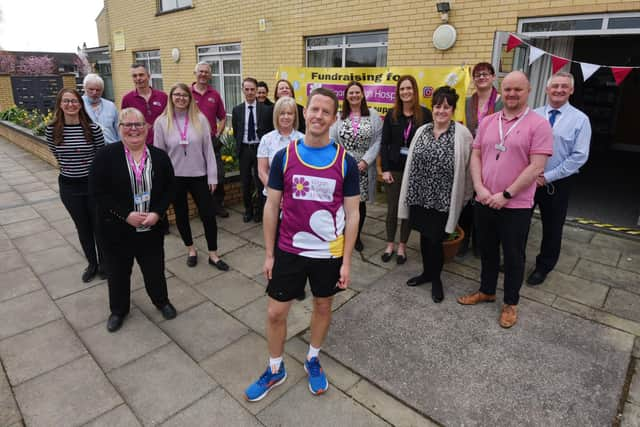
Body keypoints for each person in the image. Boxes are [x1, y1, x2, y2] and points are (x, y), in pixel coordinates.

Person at [245, 88, 360, 402]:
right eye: (314, 110)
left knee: (323, 306)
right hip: (289, 250)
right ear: (304, 112)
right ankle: (275, 368)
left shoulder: (345, 162)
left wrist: (347, 261)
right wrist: (269, 254)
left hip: (328, 253)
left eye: (326, 111)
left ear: (334, 118)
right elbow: (271, 208)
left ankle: (312, 358)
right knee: (275, 313)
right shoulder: (285, 156)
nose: (318, 116)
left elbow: (352, 214)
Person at [457, 71, 553, 328]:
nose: (511, 94)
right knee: (487, 250)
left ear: (528, 90)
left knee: (513, 256)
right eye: (508, 89)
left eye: (517, 90)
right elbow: (476, 155)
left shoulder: (539, 124)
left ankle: (511, 302)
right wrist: (479, 187)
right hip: (485, 199)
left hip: (516, 205)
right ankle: (487, 291)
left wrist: (506, 194)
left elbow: (536, 167)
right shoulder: (489, 122)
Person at [90, 107, 177, 332]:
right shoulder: (105, 156)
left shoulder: (159, 156)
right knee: (118, 272)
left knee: (154, 269)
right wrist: (125, 214)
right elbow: (99, 193)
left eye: (138, 124)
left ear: (146, 128)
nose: (133, 129)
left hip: (151, 228)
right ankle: (118, 310)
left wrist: (157, 213)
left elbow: (170, 188)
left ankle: (161, 301)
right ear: (119, 129)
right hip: (117, 230)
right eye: (127, 125)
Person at [397, 86, 473, 302]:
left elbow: (468, 169)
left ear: (453, 110)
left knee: (436, 240)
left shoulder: (462, 134)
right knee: (423, 236)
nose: (441, 111)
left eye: (446, 107)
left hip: (443, 200)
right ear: (433, 108)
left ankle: (436, 278)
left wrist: (465, 197)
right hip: (420, 196)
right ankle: (426, 273)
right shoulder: (422, 130)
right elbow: (411, 163)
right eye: (438, 106)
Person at [154, 83, 229, 271]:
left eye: (184, 95)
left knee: (208, 215)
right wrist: (162, 181)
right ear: (171, 98)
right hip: (175, 178)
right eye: (177, 95)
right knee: (181, 216)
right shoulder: (162, 122)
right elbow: (159, 156)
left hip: (199, 175)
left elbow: (208, 151)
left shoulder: (200, 119)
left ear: (190, 99)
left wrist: (212, 176)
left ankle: (213, 254)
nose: (181, 98)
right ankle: (191, 250)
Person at [527, 72, 591, 286]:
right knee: (519, 222)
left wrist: (548, 176)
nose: (559, 90)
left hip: (558, 182)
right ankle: (513, 259)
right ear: (547, 89)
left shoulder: (580, 120)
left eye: (564, 86)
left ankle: (543, 266)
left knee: (552, 227)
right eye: (555, 86)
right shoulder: (533, 115)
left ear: (571, 90)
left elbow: (579, 156)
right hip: (528, 179)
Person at [45, 88, 105, 283]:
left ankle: (104, 264)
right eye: (66, 101)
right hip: (69, 186)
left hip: (92, 185)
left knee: (98, 226)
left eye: (74, 101)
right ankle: (92, 264)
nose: (70, 105)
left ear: (80, 104)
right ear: (60, 105)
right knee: (83, 227)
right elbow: (56, 154)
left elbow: (100, 157)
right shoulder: (52, 129)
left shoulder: (93, 128)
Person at [380, 75, 433, 265]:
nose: (405, 92)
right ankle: (389, 244)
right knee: (392, 209)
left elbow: (429, 144)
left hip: (414, 171)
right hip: (394, 169)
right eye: (402, 89)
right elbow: (384, 144)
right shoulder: (392, 115)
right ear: (398, 92)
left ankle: (402, 245)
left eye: (409, 88)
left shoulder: (425, 115)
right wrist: (384, 169)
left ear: (415, 91)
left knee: (407, 210)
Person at [330, 81, 381, 252]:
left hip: (364, 168)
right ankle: (342, 233)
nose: (354, 95)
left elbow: (377, 141)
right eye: (351, 93)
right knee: (342, 202)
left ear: (362, 95)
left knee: (359, 204)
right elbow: (333, 141)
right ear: (346, 96)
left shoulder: (372, 115)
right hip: (343, 166)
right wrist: (344, 161)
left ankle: (356, 236)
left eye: (357, 92)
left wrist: (366, 160)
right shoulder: (339, 116)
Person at [458, 62, 504, 256]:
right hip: (470, 156)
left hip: (493, 158)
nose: (481, 77)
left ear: (493, 77)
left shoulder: (502, 101)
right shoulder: (468, 102)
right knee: (466, 199)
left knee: (485, 201)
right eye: (477, 75)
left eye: (485, 74)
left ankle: (481, 243)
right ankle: (463, 239)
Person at [191, 62, 229, 218]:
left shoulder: (215, 94)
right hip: (193, 143)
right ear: (195, 73)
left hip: (212, 141)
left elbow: (223, 117)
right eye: (201, 71)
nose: (203, 74)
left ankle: (218, 205)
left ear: (210, 75)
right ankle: (203, 209)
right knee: (199, 176)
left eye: (206, 72)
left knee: (218, 174)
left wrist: (218, 133)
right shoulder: (187, 94)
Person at [232, 77, 272, 223]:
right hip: (244, 150)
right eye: (247, 89)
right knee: (246, 182)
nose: (249, 92)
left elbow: (269, 131)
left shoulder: (266, 110)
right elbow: (236, 132)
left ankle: (259, 212)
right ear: (243, 90)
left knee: (261, 182)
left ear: (256, 91)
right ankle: (248, 211)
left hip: (260, 150)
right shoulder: (237, 110)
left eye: (252, 89)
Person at [257, 97, 304, 198]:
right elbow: (262, 172)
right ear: (276, 116)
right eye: (282, 113)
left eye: (289, 113)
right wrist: (276, 194)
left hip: (297, 198)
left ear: (295, 116)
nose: (286, 117)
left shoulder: (303, 140)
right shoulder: (267, 139)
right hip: (271, 197)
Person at [121, 63, 168, 145]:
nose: (138, 78)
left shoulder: (163, 96)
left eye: (141, 75)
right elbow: (124, 125)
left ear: (148, 76)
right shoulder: (127, 99)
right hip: (139, 145)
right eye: (134, 76)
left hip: (162, 143)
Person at [82, 73, 119, 144]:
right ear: (84, 88)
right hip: (89, 150)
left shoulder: (111, 106)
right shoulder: (78, 105)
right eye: (91, 89)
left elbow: (118, 129)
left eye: (98, 90)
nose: (94, 93)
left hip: (110, 148)